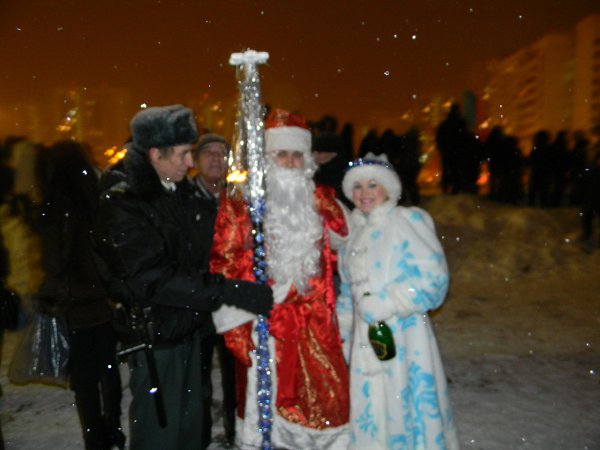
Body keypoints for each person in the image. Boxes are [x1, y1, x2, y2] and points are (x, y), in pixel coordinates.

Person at [93, 104, 273, 450]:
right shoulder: (123, 203)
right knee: (161, 435)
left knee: (191, 432)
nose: (190, 163)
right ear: (155, 154)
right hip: (158, 339)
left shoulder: (178, 192)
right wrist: (229, 291)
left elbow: (207, 248)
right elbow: (154, 279)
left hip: (190, 330)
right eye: (183, 154)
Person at [210, 109, 351, 449]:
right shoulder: (242, 204)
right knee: (267, 407)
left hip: (315, 324)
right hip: (264, 322)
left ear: (307, 161)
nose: (289, 163)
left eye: (296, 155)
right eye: (281, 154)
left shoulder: (320, 200)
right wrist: (240, 316)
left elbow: (348, 241)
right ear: (268, 160)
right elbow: (225, 261)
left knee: (325, 405)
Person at [336, 153, 459, 449]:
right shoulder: (352, 236)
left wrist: (388, 302)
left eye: (373, 185)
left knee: (404, 404)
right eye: (357, 186)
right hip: (362, 341)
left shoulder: (405, 221)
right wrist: (342, 332)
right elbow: (348, 292)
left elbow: (434, 280)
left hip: (406, 337)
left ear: (388, 189)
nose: (364, 193)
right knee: (371, 408)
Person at [35, 140, 125, 450]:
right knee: (108, 368)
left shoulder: (54, 207)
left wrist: (51, 295)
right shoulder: (96, 200)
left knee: (84, 378)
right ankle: (113, 427)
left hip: (75, 304)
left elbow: (53, 260)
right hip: (102, 299)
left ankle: (94, 435)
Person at [189, 133, 237, 448]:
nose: (216, 158)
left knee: (235, 371)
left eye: (222, 152)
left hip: (232, 299)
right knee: (198, 373)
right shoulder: (184, 199)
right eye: (209, 152)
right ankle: (201, 434)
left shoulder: (238, 198)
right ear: (196, 159)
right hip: (198, 300)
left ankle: (235, 430)